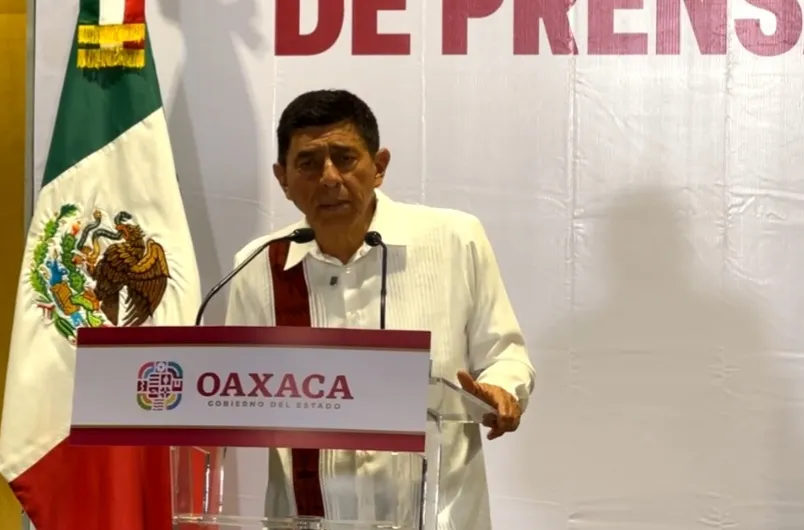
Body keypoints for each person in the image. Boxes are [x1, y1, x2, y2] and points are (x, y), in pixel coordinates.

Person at [225, 89, 536, 530]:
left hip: (437, 517)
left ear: (379, 166)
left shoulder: (455, 239)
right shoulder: (258, 265)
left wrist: (502, 390)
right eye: (308, 163)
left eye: (345, 158)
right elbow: (231, 395)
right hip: (305, 520)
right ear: (283, 179)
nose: (329, 178)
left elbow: (505, 354)